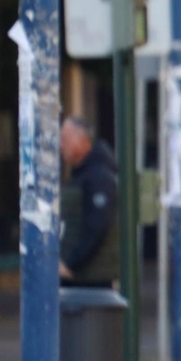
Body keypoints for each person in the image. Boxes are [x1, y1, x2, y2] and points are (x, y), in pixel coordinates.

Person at [58, 117, 119, 287]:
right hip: (84, 276)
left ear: (82, 139)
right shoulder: (83, 173)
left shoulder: (98, 175)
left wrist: (70, 264)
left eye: (65, 139)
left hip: (92, 279)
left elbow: (97, 225)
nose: (61, 145)